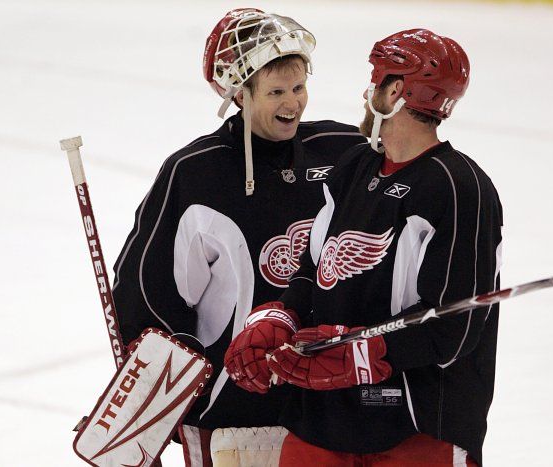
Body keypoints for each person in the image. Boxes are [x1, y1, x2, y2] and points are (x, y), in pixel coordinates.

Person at [225, 29, 503, 466]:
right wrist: (282, 314)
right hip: (323, 418)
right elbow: (316, 266)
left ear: (395, 91)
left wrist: (367, 353)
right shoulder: (355, 165)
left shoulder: (458, 187)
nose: (367, 92)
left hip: (417, 426)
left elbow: (458, 326)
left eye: (376, 81)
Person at [111, 8, 366, 466]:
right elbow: (147, 295)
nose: (293, 103)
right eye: (275, 92)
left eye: (298, 87)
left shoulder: (342, 149)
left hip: (327, 409)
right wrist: (180, 391)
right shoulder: (196, 174)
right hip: (231, 418)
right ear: (239, 94)